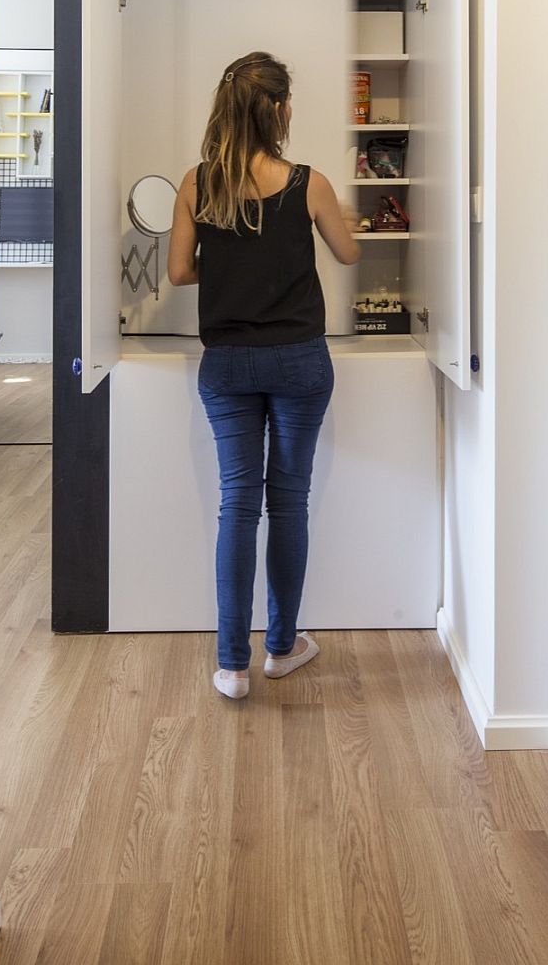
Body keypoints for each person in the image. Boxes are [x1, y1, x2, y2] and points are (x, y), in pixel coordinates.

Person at [167, 50, 360, 700]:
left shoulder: (198, 184)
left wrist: (225, 271)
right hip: (300, 361)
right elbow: (348, 250)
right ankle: (281, 647)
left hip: (226, 366)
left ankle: (231, 666)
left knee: (236, 505)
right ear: (277, 111)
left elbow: (177, 272)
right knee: (289, 501)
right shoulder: (311, 184)